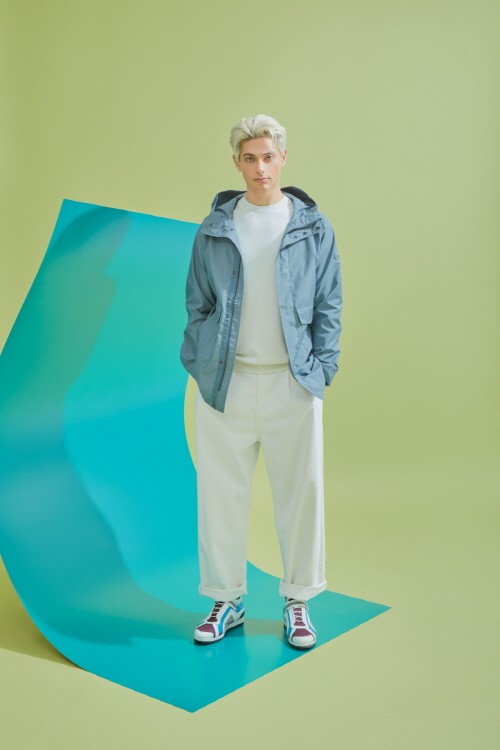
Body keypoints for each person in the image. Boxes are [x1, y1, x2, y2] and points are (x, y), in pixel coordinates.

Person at [180, 114, 342, 649]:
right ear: (237, 163)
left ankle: (298, 603)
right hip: (225, 384)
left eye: (268, 156)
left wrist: (320, 370)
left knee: (301, 495)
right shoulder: (215, 227)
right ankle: (226, 600)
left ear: (283, 158)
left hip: (292, 383)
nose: (260, 168)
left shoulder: (313, 226)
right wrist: (201, 362)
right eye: (249, 158)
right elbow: (198, 303)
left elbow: (329, 302)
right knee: (220, 495)